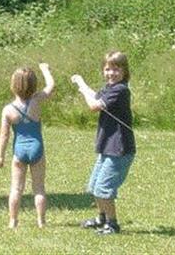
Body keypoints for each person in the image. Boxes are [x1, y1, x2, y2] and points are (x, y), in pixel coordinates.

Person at [71, 50, 136, 236]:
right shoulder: (109, 87)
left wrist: (82, 87)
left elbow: (94, 105)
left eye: (116, 69)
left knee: (103, 189)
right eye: (108, 69)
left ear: (124, 72)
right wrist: (81, 84)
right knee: (94, 186)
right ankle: (102, 218)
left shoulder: (121, 90)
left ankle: (113, 224)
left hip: (119, 150)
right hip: (108, 147)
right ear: (103, 70)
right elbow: (95, 96)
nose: (111, 73)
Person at [0, 62, 55, 229]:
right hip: (37, 148)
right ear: (34, 85)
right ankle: (41, 221)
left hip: (19, 151)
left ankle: (13, 220)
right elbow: (51, 85)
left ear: (13, 85)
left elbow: (4, 135)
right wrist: (45, 69)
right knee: (39, 188)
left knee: (16, 189)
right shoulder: (37, 101)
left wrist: (1, 156)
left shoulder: (8, 110)